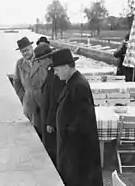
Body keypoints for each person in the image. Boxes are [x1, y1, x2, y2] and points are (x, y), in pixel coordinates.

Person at [49, 48, 103, 186]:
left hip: (77, 153)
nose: (55, 73)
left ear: (67, 67)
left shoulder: (78, 85)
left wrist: (66, 133)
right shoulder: (72, 82)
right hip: (71, 150)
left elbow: (83, 121)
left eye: (57, 69)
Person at [13, 37, 49, 139]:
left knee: (46, 128)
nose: (25, 53)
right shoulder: (19, 64)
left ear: (31, 48)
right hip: (29, 101)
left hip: (43, 99)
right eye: (22, 51)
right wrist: (23, 96)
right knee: (34, 130)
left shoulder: (41, 59)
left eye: (27, 50)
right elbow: (16, 82)